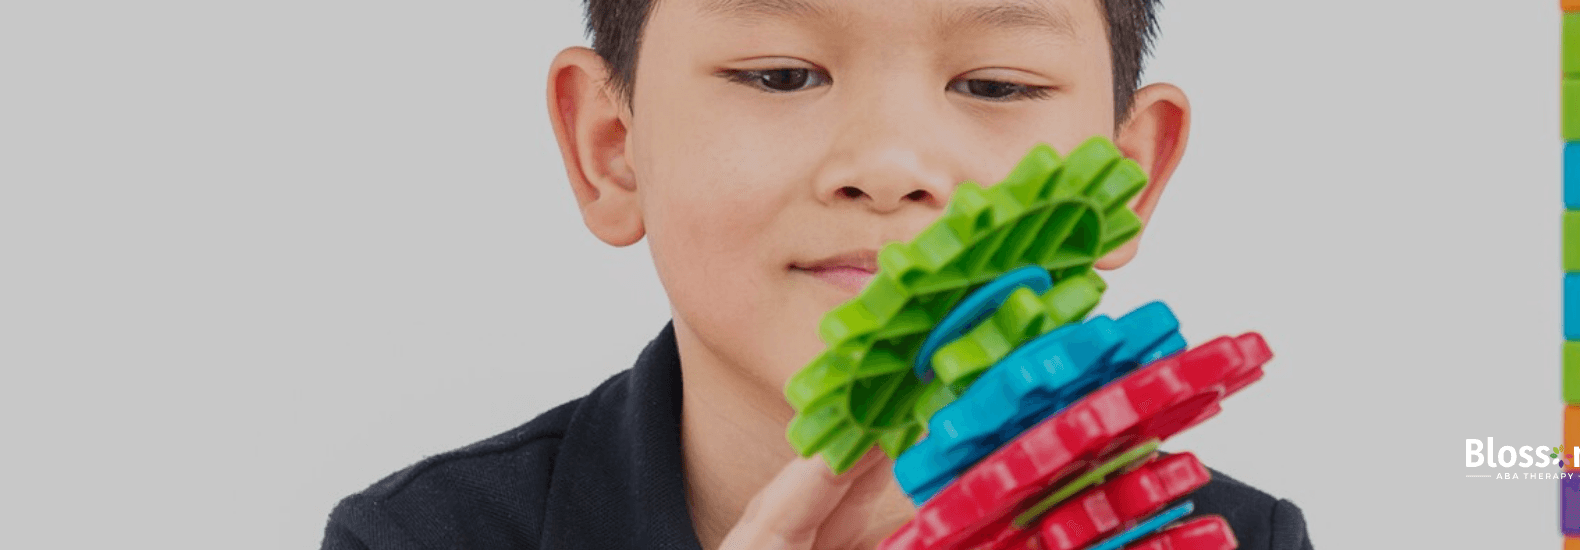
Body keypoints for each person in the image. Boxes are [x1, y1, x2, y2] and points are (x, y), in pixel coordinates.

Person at [321, 1, 1313, 548]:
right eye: (780, 75)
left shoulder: (1229, 538)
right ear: (613, 148)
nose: (886, 165)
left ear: (1125, 180)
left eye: (995, 85)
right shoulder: (421, 539)